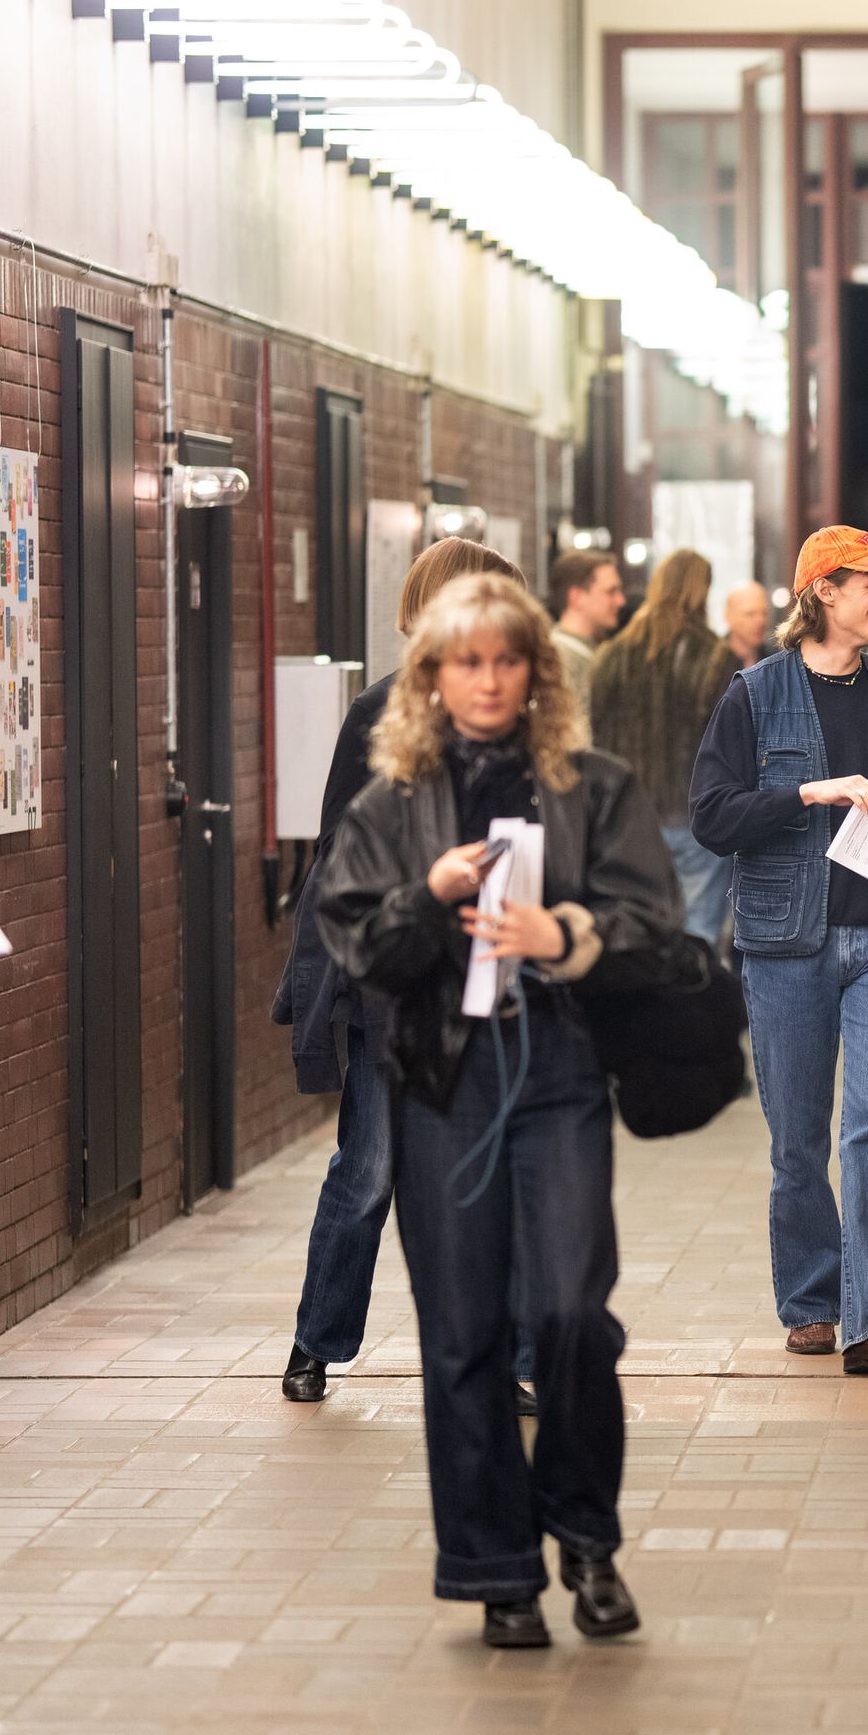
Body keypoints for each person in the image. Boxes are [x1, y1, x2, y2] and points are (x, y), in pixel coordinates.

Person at [314, 573, 680, 1650]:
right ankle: (496, 1569)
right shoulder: (390, 807)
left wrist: (563, 936)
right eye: (465, 661)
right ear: (431, 676)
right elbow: (354, 949)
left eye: (506, 660)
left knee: (570, 1314)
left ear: (536, 673)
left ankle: (588, 1537)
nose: (487, 680)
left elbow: (656, 931)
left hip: (559, 1073)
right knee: (463, 1333)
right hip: (440, 1085)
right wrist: (425, 896)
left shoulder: (591, 787)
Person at [690, 528, 868, 1376]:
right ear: (822, 594)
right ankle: (811, 1297)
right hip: (784, 942)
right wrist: (807, 791)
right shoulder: (753, 695)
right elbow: (712, 815)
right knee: (798, 1135)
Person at [276, 538, 528, 1409]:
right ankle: (317, 1339)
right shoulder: (380, 714)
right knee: (374, 1164)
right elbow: (341, 850)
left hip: (497, 971)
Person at [590, 550, 740, 948]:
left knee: (636, 938)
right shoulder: (717, 658)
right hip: (695, 815)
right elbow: (731, 745)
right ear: (702, 592)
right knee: (699, 940)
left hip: (626, 818)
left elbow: (597, 740)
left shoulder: (608, 657)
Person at [546, 550, 625, 716]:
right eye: (611, 591)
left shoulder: (586, 652)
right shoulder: (561, 657)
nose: (620, 601)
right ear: (577, 597)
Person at [721, 580, 771, 669]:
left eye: (764, 613)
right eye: (750, 614)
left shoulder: (774, 660)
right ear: (728, 616)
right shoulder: (713, 663)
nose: (760, 621)